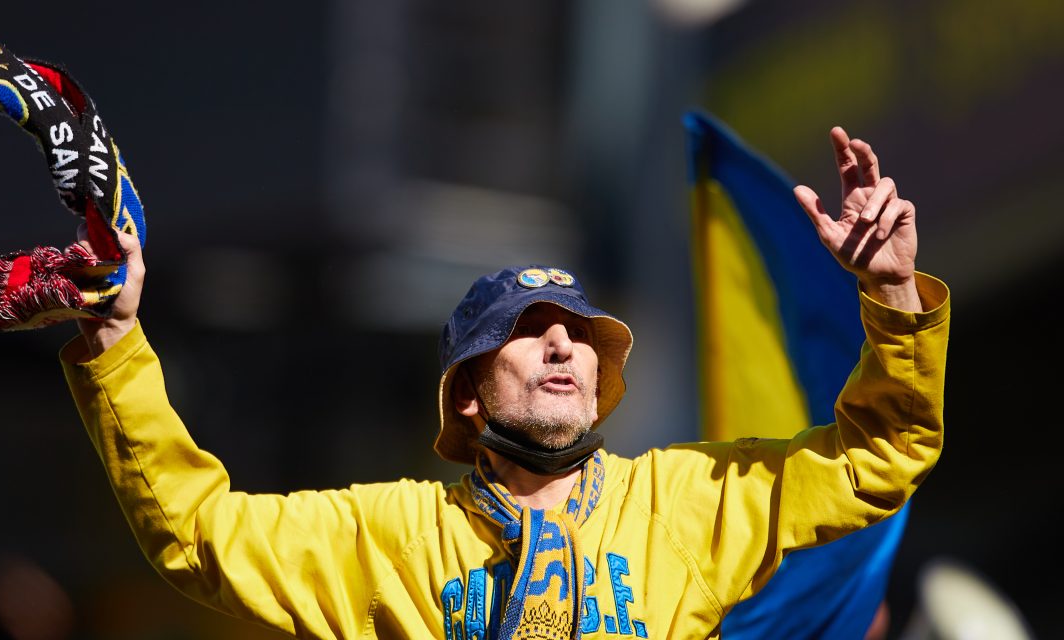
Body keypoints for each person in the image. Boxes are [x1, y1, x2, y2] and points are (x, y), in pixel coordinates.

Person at [60, 126, 948, 639]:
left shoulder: (687, 498)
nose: (562, 345)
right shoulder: (393, 532)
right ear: (468, 395)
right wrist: (114, 341)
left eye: (579, 334)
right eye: (526, 336)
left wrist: (893, 292)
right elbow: (194, 529)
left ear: (601, 382)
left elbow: (885, 453)